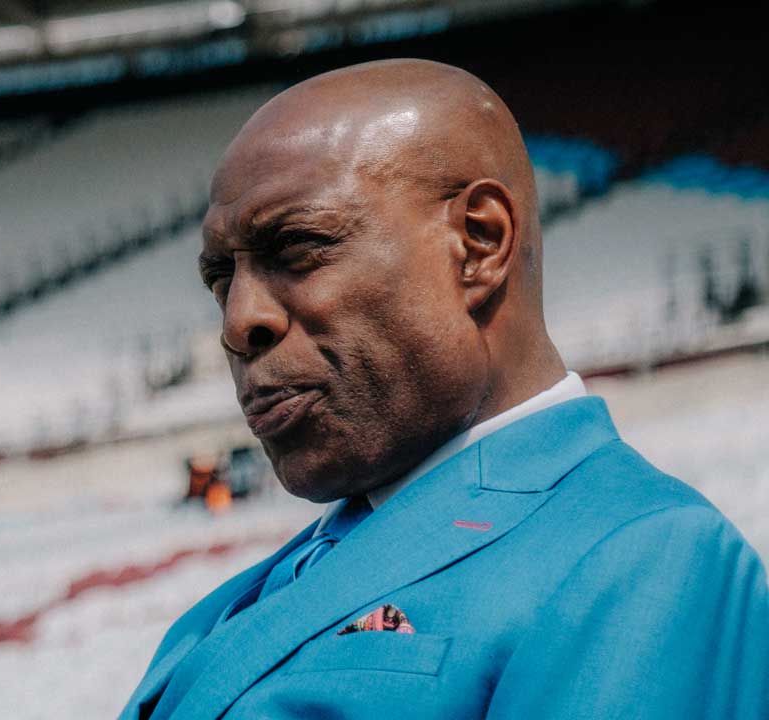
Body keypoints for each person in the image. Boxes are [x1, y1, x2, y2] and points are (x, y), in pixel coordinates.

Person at [120, 59, 768, 719]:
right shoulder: (272, 581)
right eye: (220, 277)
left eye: (298, 248)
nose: (238, 323)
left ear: (479, 243)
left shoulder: (645, 557)